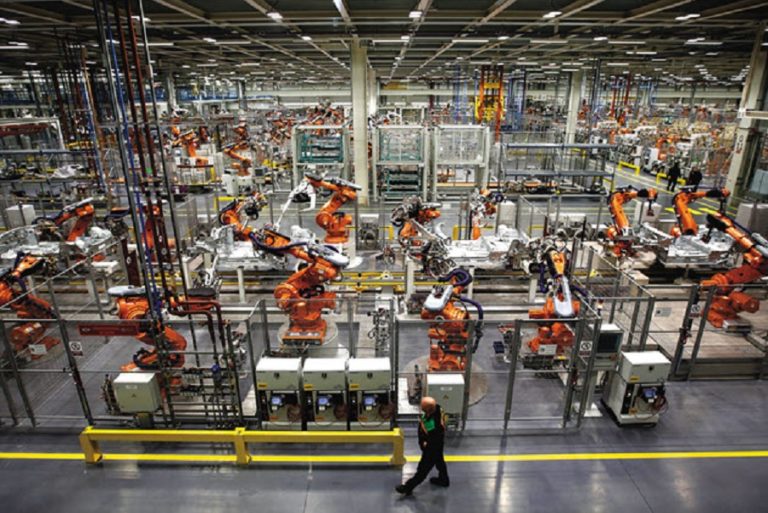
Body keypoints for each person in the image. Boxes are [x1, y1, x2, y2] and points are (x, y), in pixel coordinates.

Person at [395, 396, 449, 496]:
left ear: (427, 410)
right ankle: (444, 479)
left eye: (422, 407)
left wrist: (424, 444)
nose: (421, 408)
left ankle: (408, 487)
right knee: (439, 461)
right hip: (438, 444)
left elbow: (431, 437)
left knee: (422, 469)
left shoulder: (433, 424)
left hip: (432, 448)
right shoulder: (437, 409)